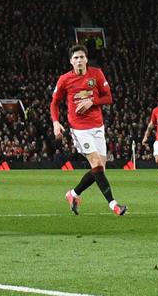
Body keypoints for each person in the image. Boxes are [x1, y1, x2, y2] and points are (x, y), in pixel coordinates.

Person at [52, 44, 127, 216]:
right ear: (71, 61)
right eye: (75, 58)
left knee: (100, 169)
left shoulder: (96, 74)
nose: (79, 60)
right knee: (95, 163)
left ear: (86, 59)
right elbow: (54, 103)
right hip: (79, 128)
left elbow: (108, 97)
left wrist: (92, 102)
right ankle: (114, 205)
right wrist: (56, 122)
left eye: (82, 57)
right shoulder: (64, 79)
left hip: (97, 126)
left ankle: (73, 194)